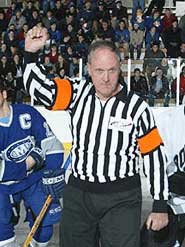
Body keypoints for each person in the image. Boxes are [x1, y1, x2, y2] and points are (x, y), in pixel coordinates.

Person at [23, 26, 169, 247]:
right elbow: (40, 90)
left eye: (112, 70)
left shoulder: (137, 107)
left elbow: (153, 155)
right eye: (99, 70)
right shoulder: (76, 92)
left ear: (120, 68)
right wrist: (30, 54)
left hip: (122, 198)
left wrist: (159, 204)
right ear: (89, 69)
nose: (106, 78)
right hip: (79, 196)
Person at [0, 79, 67, 247]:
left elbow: (52, 145)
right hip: (3, 188)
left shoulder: (27, 113)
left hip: (34, 181)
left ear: (4, 94)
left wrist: (52, 173)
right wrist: (31, 162)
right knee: (2, 234)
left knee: (45, 228)